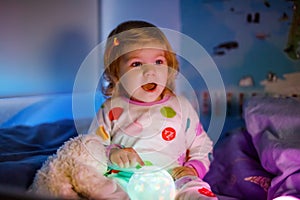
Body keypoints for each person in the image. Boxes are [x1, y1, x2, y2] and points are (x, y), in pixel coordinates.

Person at [88, 20, 217, 199]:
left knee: (194, 188)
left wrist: (193, 168)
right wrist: (112, 153)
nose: (150, 72)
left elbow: (202, 145)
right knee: (105, 191)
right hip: (126, 179)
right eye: (136, 64)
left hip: (173, 177)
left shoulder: (181, 106)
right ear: (116, 73)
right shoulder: (110, 109)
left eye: (158, 61)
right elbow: (91, 148)